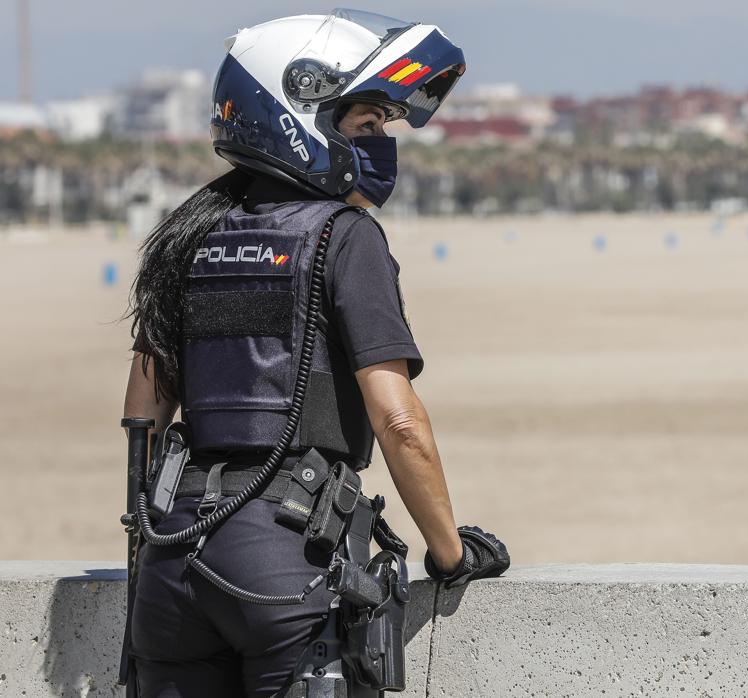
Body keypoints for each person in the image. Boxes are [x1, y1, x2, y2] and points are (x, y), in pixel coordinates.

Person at [120, 9, 508, 697]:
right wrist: (450, 553)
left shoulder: (188, 235)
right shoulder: (344, 236)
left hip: (172, 557)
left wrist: (150, 543)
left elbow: (142, 418)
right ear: (300, 116)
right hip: (287, 554)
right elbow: (399, 422)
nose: (381, 144)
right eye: (365, 125)